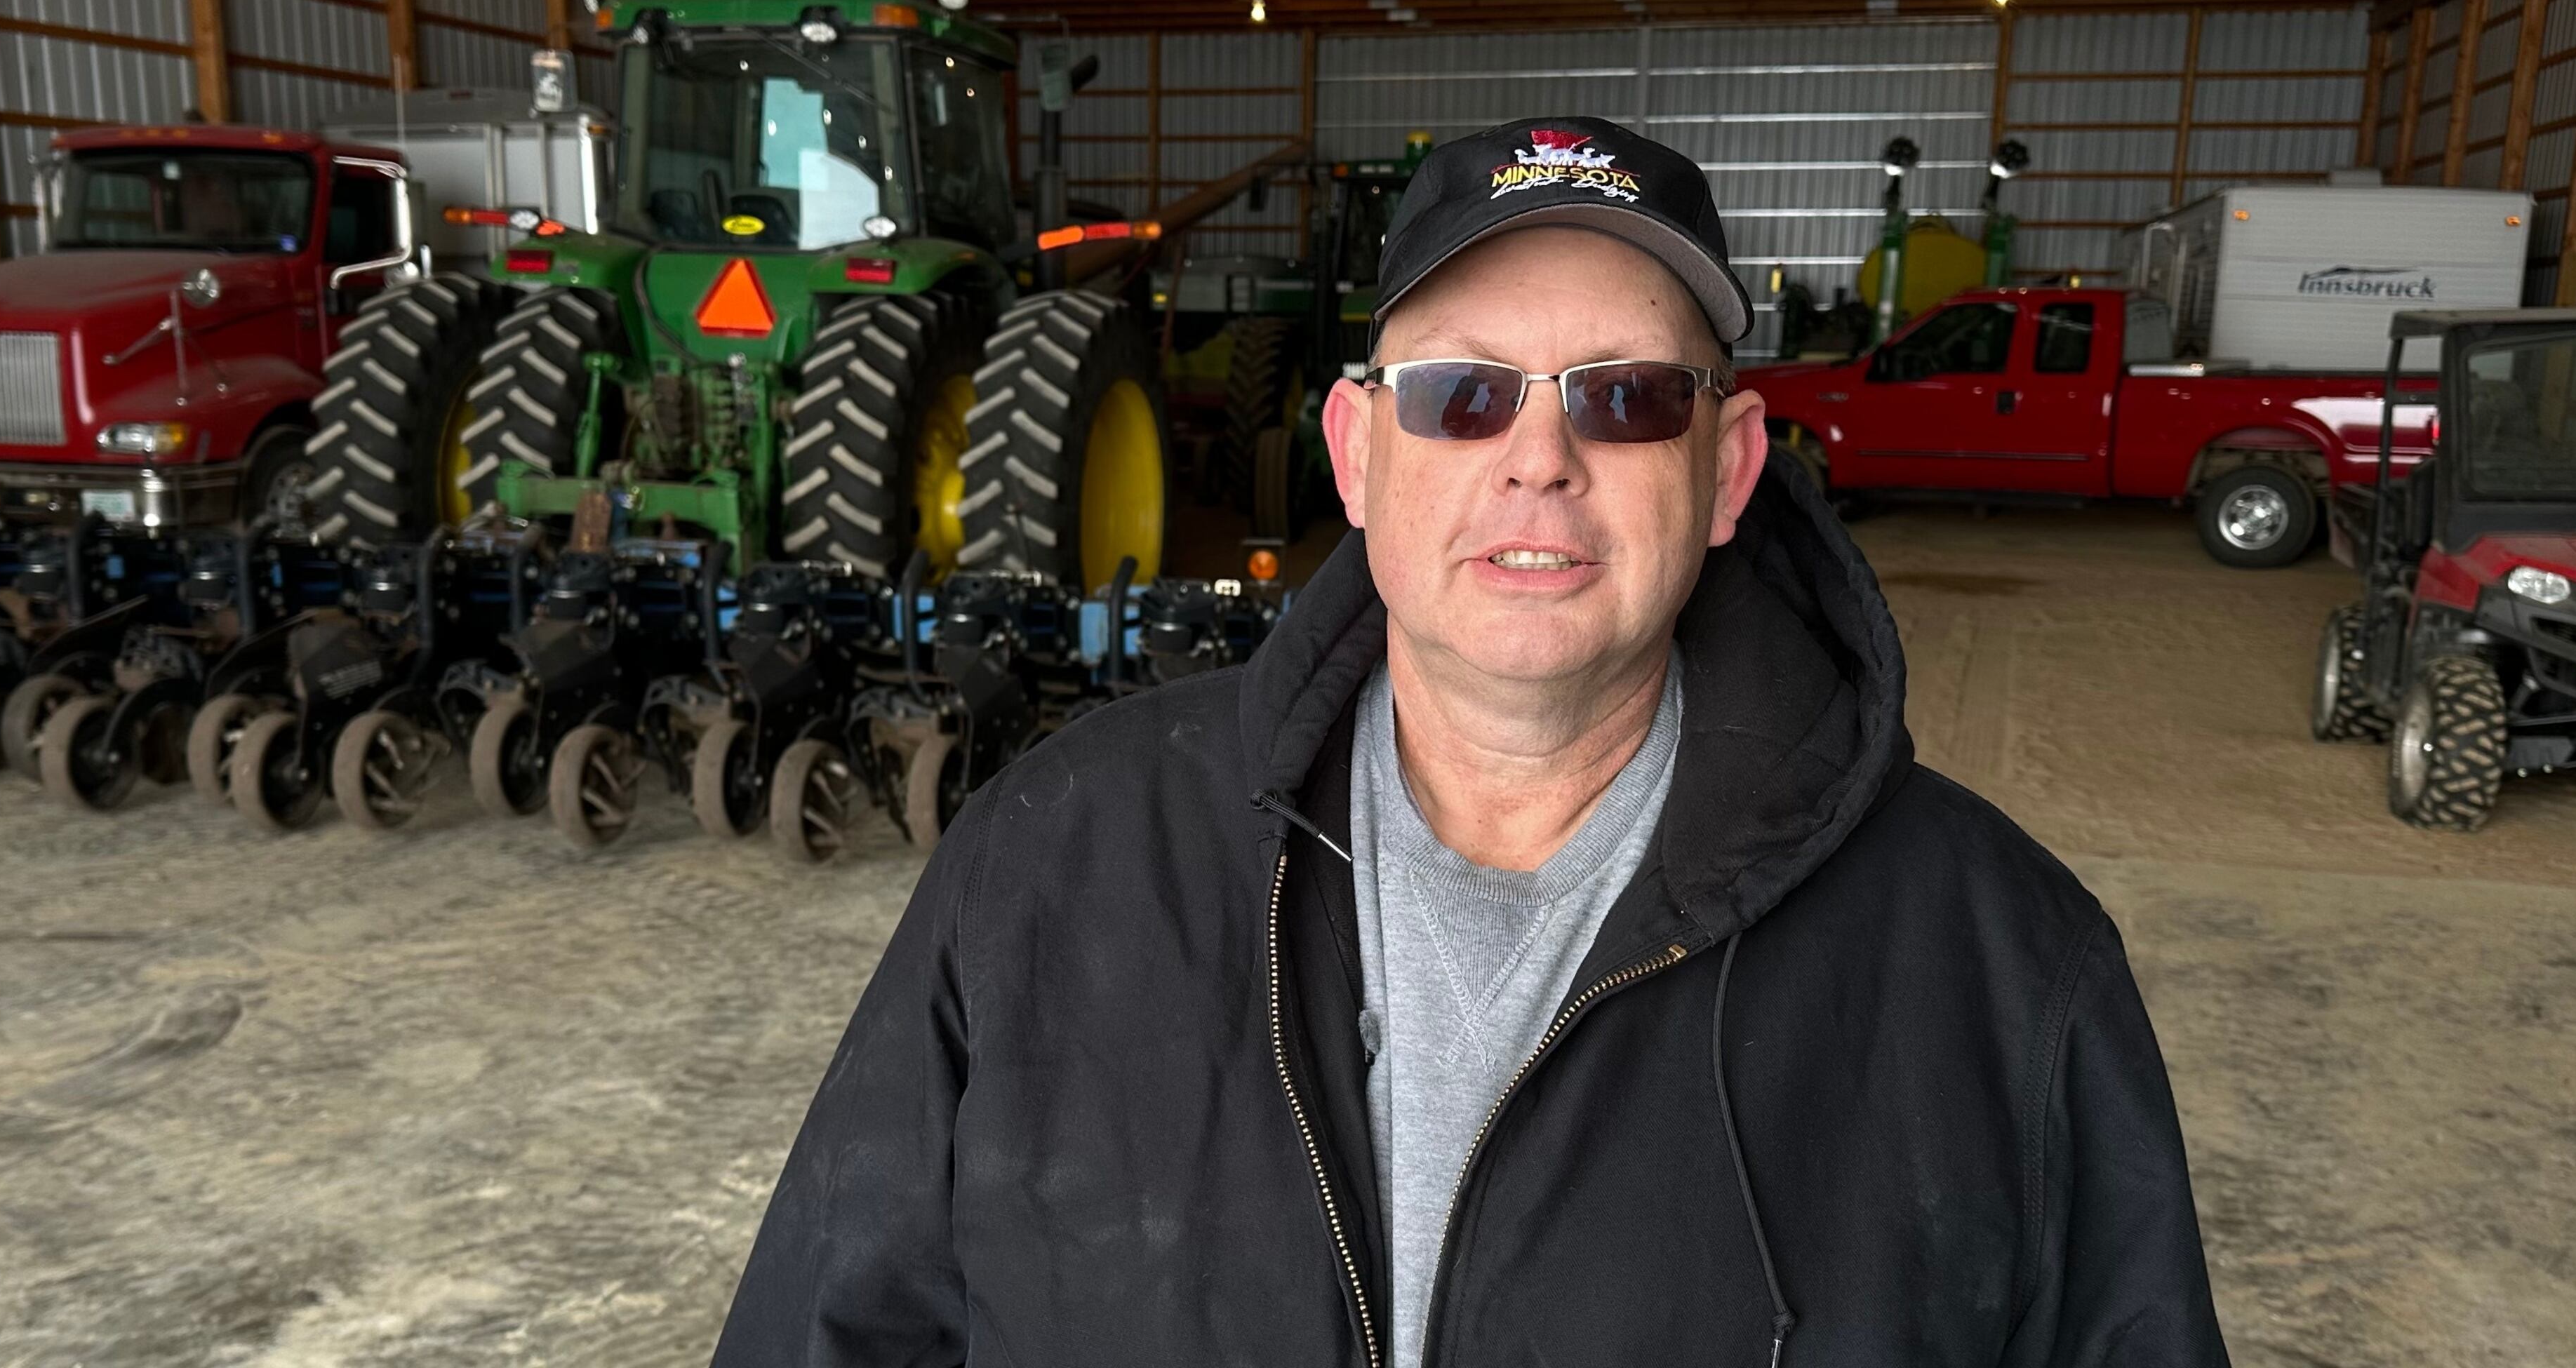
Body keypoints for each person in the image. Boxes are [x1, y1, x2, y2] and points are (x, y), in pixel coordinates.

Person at [709, 116, 2229, 1367]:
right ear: (1359, 454)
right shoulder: (1052, 865)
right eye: (1463, 394)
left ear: (1729, 468)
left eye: (1627, 398)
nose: (1540, 461)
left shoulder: (2004, 972)